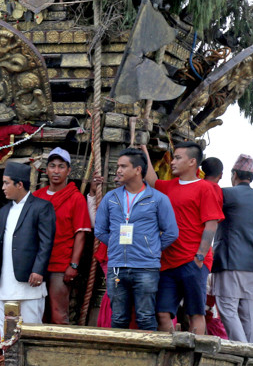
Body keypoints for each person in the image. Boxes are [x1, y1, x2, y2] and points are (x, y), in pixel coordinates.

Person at [144, 142, 224, 334]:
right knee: (162, 313)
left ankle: (193, 361)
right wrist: (144, 151)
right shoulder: (169, 187)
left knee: (195, 313)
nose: (173, 161)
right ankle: (167, 358)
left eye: (178, 158)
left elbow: (211, 224)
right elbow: (152, 181)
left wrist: (199, 257)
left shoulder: (205, 188)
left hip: (193, 261)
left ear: (192, 162)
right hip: (168, 262)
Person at [95, 148, 178, 331]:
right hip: (117, 266)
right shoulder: (110, 198)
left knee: (146, 316)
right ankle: (119, 357)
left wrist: (150, 248)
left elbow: (171, 232)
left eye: (123, 166)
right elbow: (100, 230)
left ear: (138, 170)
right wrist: (117, 244)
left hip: (146, 266)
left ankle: (147, 359)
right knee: (118, 317)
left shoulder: (158, 199)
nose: (118, 170)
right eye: (118, 166)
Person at [210, 155, 253, 343]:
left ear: (234, 175)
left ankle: (243, 351)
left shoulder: (225, 194)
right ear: (251, 178)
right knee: (249, 317)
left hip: (229, 262)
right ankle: (252, 353)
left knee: (227, 310)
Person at [0, 160, 56, 337]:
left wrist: (38, 270)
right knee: (6, 329)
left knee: (31, 329)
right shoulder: (4, 211)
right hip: (6, 281)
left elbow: (46, 242)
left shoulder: (42, 207)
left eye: (6, 183)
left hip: (30, 280)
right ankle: (8, 362)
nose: (3, 187)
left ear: (20, 184)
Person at [32, 147, 93, 324]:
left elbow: (80, 234)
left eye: (61, 166)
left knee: (58, 312)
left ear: (69, 171)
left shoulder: (75, 198)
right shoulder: (37, 197)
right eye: (52, 166)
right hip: (37, 264)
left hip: (60, 264)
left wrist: (73, 265)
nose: (56, 171)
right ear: (46, 169)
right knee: (35, 311)